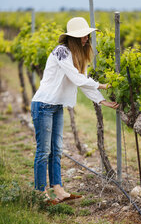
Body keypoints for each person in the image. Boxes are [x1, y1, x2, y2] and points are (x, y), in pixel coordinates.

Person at [31, 17, 119, 205]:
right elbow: (77, 79)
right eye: (82, 35)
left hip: (55, 106)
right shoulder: (61, 52)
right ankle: (39, 193)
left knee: (57, 149)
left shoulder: (77, 56)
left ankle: (59, 189)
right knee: (44, 150)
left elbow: (84, 84)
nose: (86, 38)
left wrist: (102, 100)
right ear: (73, 38)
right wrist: (102, 85)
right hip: (43, 104)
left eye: (87, 35)